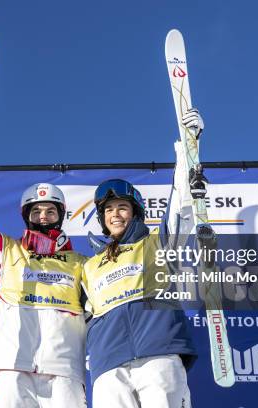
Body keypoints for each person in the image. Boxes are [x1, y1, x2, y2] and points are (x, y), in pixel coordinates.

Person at [82, 109, 204, 407]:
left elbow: (181, 205)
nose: (115, 214)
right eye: (108, 210)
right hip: (108, 363)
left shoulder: (158, 243)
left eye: (122, 207)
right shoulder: (88, 266)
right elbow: (79, 317)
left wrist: (189, 148)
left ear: (135, 212)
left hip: (159, 353)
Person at [0, 131, 87, 408]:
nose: (43, 216)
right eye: (36, 211)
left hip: (63, 369)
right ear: (26, 216)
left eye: (50, 211)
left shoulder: (80, 264)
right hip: (11, 363)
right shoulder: (7, 250)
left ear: (60, 216)